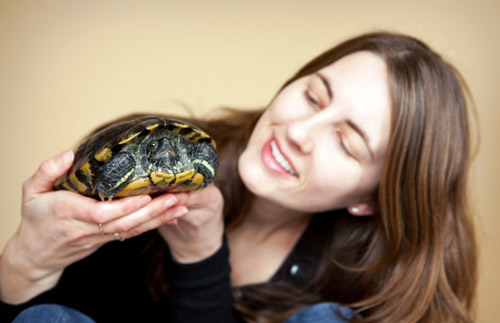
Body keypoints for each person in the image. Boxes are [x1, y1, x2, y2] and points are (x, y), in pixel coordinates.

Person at [0, 32, 477, 322]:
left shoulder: (354, 297)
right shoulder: (153, 146)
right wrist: (26, 265)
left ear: (369, 200)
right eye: (313, 97)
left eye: (346, 141)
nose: (299, 132)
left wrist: (200, 255)